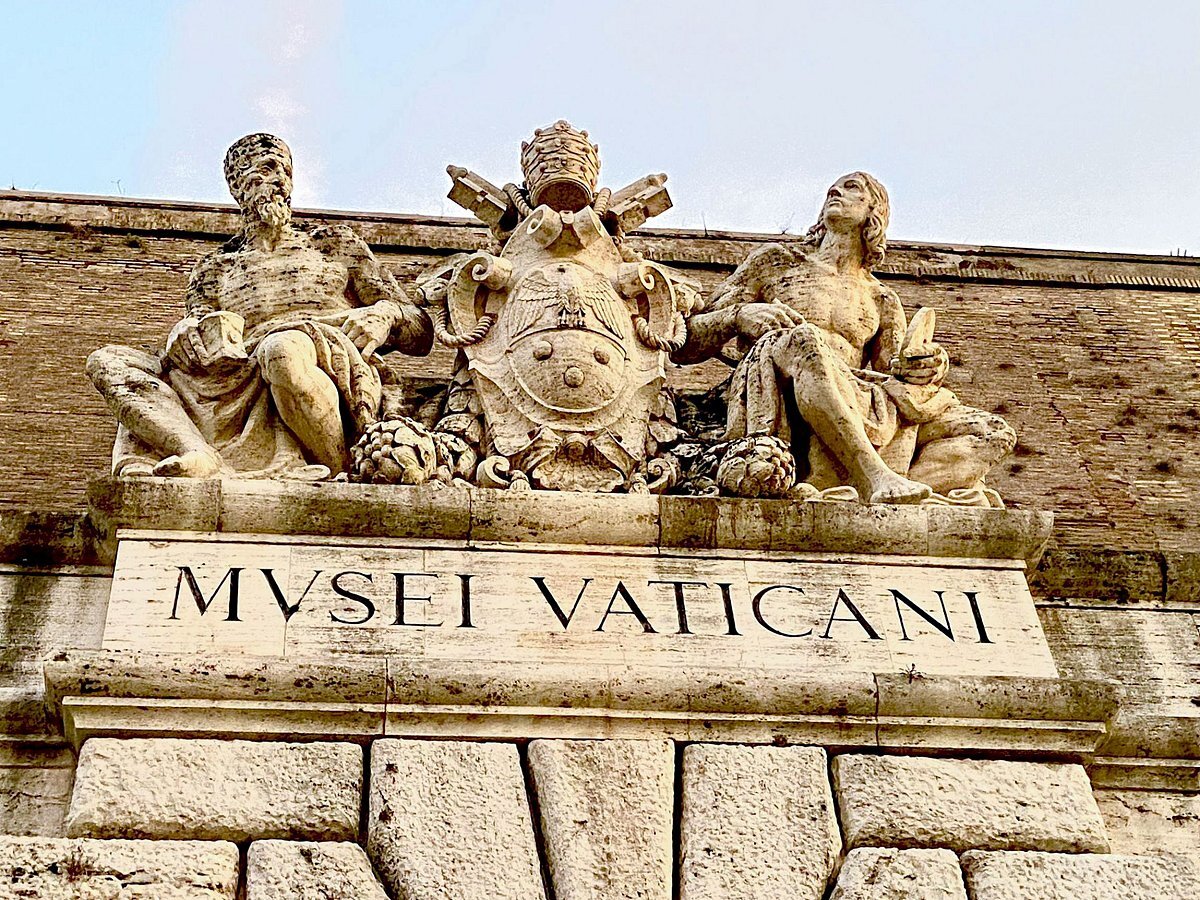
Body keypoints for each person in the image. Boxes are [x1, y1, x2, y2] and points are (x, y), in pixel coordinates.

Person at [88, 133, 433, 478]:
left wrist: (387, 313)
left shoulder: (331, 244)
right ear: (238, 185)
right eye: (267, 169)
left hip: (320, 357)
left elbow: (420, 334)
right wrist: (184, 332)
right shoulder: (215, 268)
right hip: (239, 370)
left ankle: (339, 468)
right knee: (108, 362)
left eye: (286, 172)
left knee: (281, 349)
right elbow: (201, 331)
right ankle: (196, 451)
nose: (281, 181)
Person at [675, 172, 1014, 504]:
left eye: (851, 187)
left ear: (874, 213)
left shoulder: (881, 298)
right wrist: (738, 316)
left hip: (854, 392)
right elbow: (685, 344)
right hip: (781, 389)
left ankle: (876, 488)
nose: (834, 191)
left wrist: (928, 366)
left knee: (993, 432)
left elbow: (896, 373)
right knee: (806, 339)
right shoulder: (777, 263)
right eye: (832, 189)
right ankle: (873, 476)